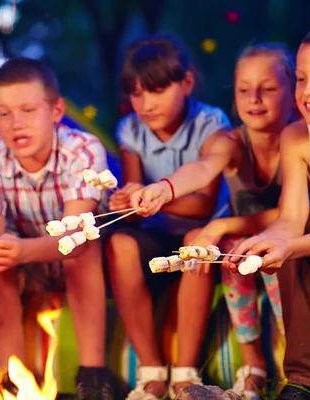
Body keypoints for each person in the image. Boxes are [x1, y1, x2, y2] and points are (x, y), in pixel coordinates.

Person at [127, 43, 296, 399]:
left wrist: (219, 226)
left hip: (295, 238)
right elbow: (204, 168)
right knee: (232, 256)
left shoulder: (299, 140)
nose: (255, 99)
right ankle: (253, 369)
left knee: (270, 255)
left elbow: (290, 215)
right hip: (245, 241)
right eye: (244, 90)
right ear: (234, 96)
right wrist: (165, 188)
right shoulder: (231, 141)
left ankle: (293, 368)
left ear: (293, 93)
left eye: (267, 89)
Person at [0, 57, 113, 400]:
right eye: (4, 114)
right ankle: (13, 378)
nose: (16, 124)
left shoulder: (81, 151)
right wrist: (1, 248)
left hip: (89, 265)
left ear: (56, 111)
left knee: (84, 244)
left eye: (27, 110)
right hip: (30, 267)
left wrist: (20, 249)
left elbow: (76, 237)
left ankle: (92, 376)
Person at [105, 35, 232, 400]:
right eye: (136, 93)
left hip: (203, 229)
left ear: (187, 83)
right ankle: (151, 372)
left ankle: (185, 374)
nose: (146, 104)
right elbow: (134, 197)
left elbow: (204, 205)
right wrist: (125, 201)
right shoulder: (130, 130)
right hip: (156, 231)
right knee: (120, 243)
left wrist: (151, 196)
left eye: (157, 90)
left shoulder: (211, 122)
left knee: (196, 243)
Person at [226, 25, 310, 400]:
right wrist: (266, 241)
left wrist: (290, 246)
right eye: (302, 79)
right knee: (297, 234)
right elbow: (292, 217)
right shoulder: (297, 136)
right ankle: (307, 381)